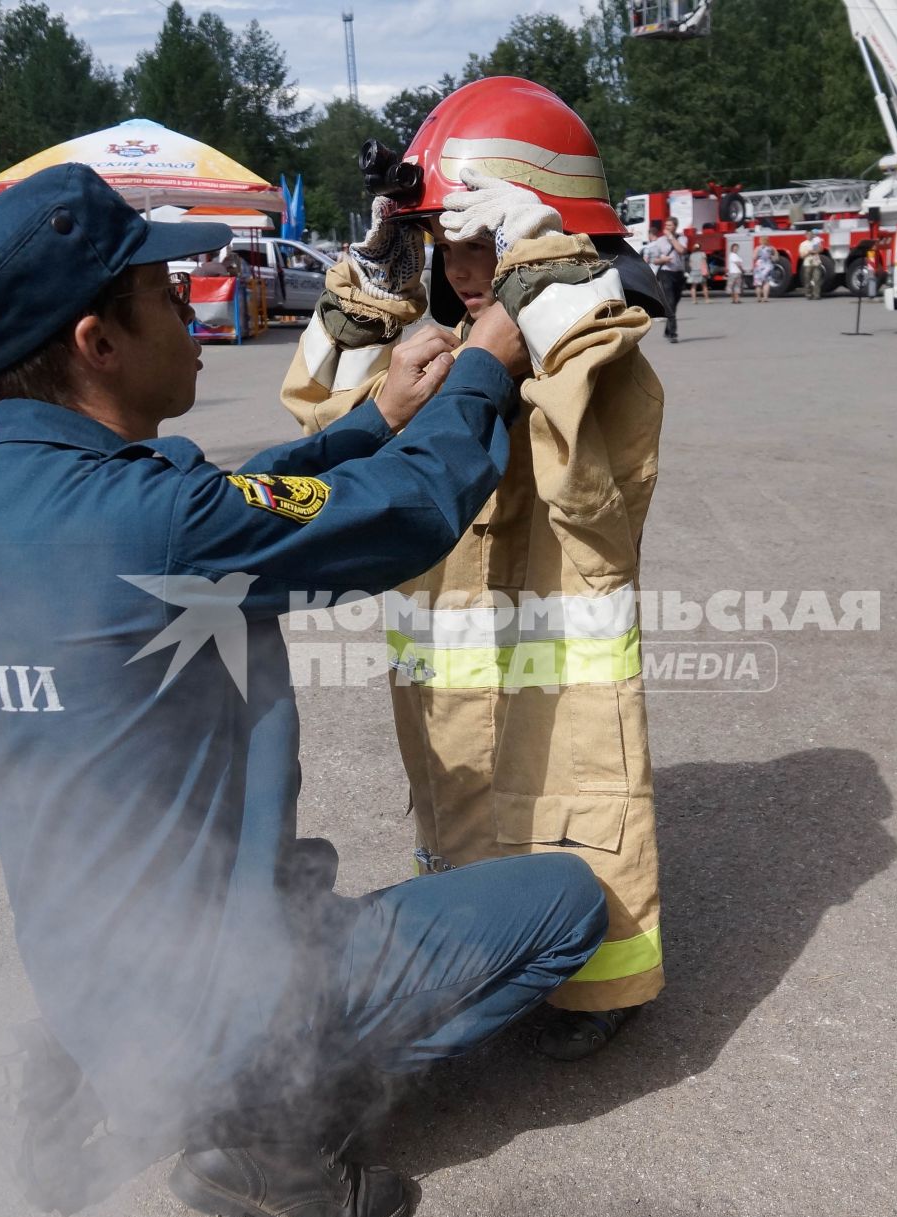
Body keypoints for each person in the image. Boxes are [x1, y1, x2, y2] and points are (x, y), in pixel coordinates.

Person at [0, 162, 605, 1217]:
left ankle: (75, 1055)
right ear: (97, 341)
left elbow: (227, 511)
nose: (196, 311)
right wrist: (484, 366)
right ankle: (270, 1137)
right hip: (224, 991)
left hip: (87, 964)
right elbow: (406, 512)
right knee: (568, 904)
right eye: (164, 296)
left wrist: (375, 413)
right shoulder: (152, 527)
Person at [283, 76, 669, 1062]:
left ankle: (604, 985)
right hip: (451, 694)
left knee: (576, 811)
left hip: (559, 693)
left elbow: (591, 475)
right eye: (438, 241)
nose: (457, 268)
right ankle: (488, 949)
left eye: (481, 242)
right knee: (462, 820)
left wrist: (541, 289)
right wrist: (370, 286)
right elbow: (323, 416)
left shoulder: (599, 357)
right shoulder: (441, 354)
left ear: (539, 239)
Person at [642, 217, 683, 341]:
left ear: (675, 226)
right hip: (665, 273)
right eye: (666, 225)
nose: (667, 227)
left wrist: (671, 237)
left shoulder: (682, 238)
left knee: (674, 303)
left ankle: (667, 329)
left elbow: (681, 250)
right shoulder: (659, 241)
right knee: (670, 302)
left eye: (670, 225)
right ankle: (672, 334)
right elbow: (654, 260)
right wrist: (663, 260)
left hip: (679, 273)